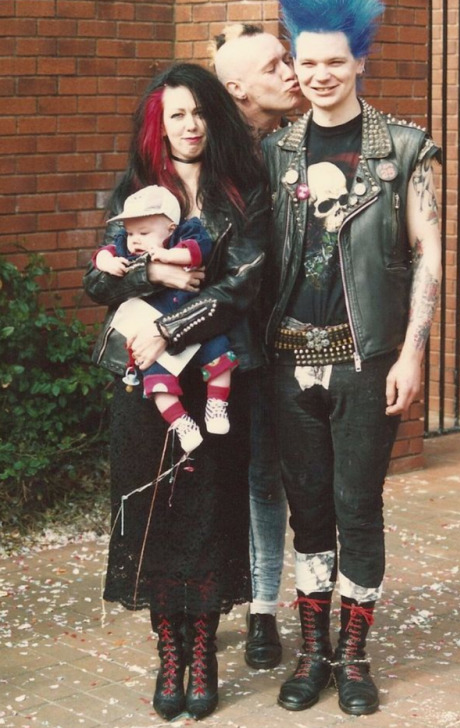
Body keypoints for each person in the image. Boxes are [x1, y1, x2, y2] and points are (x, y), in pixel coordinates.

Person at [261, 0, 442, 716]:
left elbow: (428, 251)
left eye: (336, 61)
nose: (322, 74)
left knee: (357, 508)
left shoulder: (401, 148)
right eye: (308, 62)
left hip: (366, 361)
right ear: (296, 64)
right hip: (286, 360)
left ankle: (354, 655)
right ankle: (313, 653)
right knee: (308, 513)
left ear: (360, 61)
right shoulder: (275, 150)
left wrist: (413, 353)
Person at [83, 62, 269, 722]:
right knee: (157, 508)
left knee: (210, 506)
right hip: (143, 383)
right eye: (175, 114)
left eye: (197, 112)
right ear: (158, 124)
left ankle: (205, 646)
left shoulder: (240, 192)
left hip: (214, 379)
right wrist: (151, 267)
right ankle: (170, 646)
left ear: (213, 117)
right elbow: (97, 284)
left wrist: (171, 326)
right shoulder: (134, 191)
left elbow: (239, 288)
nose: (188, 125)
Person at [212, 23, 302, 670]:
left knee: (264, 483)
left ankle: (264, 610)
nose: (291, 71)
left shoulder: (289, 151)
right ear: (237, 88)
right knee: (212, 480)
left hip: (275, 351)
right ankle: (208, 599)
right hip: (216, 350)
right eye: (275, 65)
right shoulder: (206, 163)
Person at [94, 184, 239, 453]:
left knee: (220, 358)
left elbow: (197, 253)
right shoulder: (130, 249)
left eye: (144, 233)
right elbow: (103, 256)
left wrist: (166, 255)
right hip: (151, 336)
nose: (134, 240)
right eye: (130, 233)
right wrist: (107, 262)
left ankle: (217, 405)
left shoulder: (186, 234)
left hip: (194, 325)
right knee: (158, 383)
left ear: (171, 228)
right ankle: (181, 422)